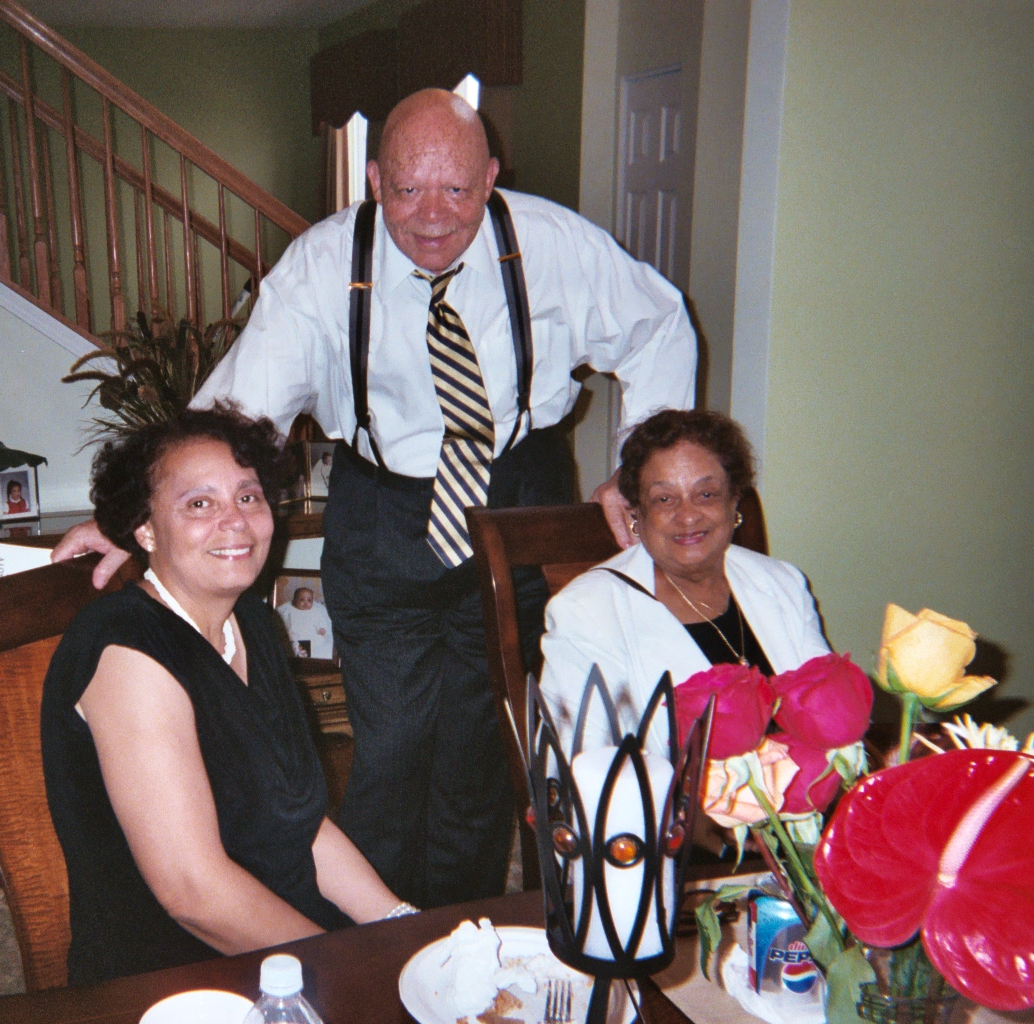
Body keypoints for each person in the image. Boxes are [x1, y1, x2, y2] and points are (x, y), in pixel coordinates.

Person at [53, 88, 695, 906]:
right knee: (391, 746)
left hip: (517, 497)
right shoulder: (323, 266)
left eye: (457, 190)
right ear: (374, 179)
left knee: (481, 744)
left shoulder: (555, 246)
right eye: (407, 190)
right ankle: (375, 935)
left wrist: (642, 472)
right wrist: (136, 519)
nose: (432, 217)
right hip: (385, 510)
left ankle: (459, 928)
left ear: (491, 177)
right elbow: (239, 409)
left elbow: (660, 325)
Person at [41, 406, 407, 985]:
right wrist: (352, 970)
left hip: (287, 944)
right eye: (199, 504)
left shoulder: (251, 623)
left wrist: (399, 926)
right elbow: (194, 895)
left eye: (248, 496)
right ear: (144, 530)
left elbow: (303, 826)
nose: (235, 521)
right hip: (175, 978)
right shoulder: (127, 650)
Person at [539, 410, 830, 753]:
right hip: (667, 790)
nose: (688, 515)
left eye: (706, 494)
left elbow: (831, 715)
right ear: (636, 515)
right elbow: (582, 764)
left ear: (734, 501)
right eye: (664, 499)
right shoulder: (585, 612)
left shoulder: (782, 583)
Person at [277, 585, 334, 658]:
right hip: (296, 636)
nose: (306, 603)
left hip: (311, 637)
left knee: (318, 641)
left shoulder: (315, 611)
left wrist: (322, 629)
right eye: (302, 600)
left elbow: (320, 621)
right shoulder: (290, 610)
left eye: (309, 600)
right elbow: (284, 622)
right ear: (295, 600)